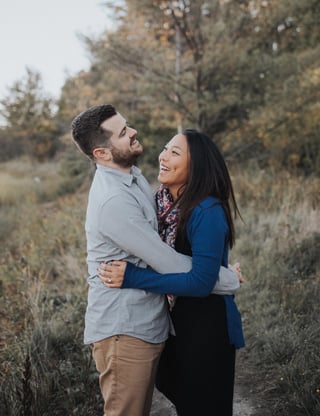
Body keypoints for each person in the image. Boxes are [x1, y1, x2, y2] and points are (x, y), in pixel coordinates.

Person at [71, 105, 241, 416]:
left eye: (128, 125)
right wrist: (226, 278)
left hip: (150, 324)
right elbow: (170, 263)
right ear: (102, 153)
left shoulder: (136, 179)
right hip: (124, 330)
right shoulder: (114, 201)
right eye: (123, 133)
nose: (133, 132)